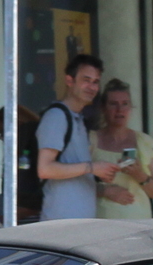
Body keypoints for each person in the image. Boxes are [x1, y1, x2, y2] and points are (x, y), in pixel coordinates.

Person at [35, 53, 115, 221]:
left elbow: (74, 172)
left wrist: (99, 173)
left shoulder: (78, 119)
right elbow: (45, 169)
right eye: (86, 80)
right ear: (69, 81)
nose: (92, 87)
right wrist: (92, 168)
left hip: (77, 226)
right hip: (59, 226)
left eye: (95, 82)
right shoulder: (56, 117)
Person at [91, 78, 153, 220]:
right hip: (99, 226)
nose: (120, 110)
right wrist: (104, 190)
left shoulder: (145, 142)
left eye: (125, 104)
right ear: (103, 108)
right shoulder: (90, 141)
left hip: (137, 226)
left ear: (131, 107)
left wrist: (140, 176)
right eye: (113, 104)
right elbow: (74, 184)